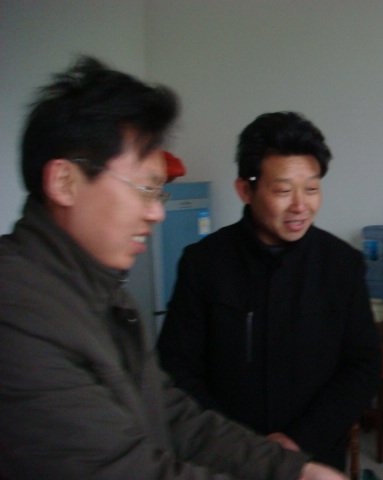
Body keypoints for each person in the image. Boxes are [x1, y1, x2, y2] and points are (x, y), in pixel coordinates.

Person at [0, 56, 346, 480]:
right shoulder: (18, 315)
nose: (157, 213)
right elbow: (125, 471)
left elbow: (173, 415)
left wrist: (292, 470)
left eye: (159, 194)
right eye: (146, 189)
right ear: (64, 182)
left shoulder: (108, 298)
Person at [157, 111, 382, 470]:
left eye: (311, 189)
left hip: (311, 459)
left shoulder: (342, 265)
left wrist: (298, 440)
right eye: (283, 190)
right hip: (225, 457)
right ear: (245, 190)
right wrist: (238, 445)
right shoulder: (204, 262)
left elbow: (362, 366)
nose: (300, 205)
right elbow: (176, 365)